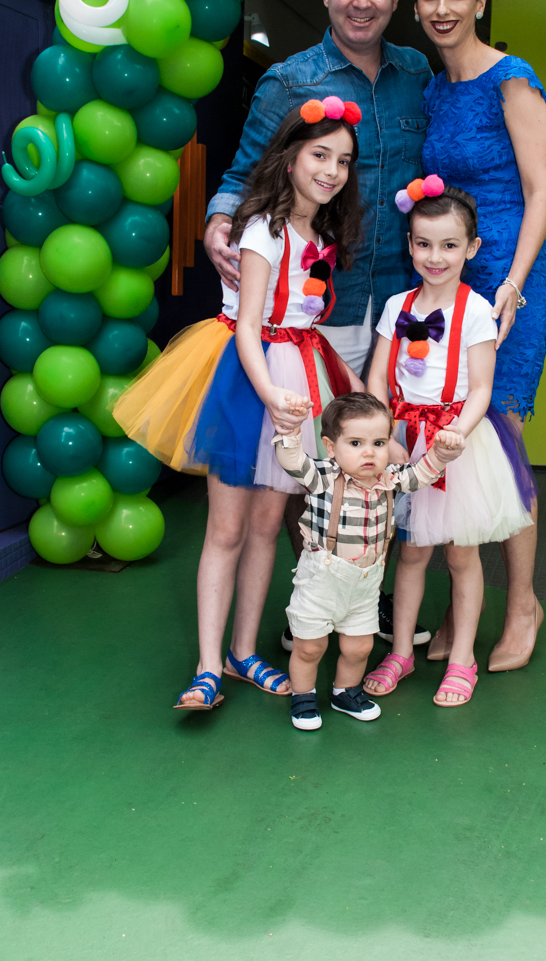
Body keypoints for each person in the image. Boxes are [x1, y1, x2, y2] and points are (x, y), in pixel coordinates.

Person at [205, 0, 434, 648]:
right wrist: (217, 219)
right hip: (321, 308)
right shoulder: (289, 81)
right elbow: (245, 172)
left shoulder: (418, 76)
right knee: (321, 470)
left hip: (401, 302)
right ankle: (313, 612)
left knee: (380, 453)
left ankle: (368, 604)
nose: (360, 2)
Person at [114, 99, 364, 710]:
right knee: (225, 529)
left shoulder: (323, 234)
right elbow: (249, 327)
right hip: (247, 378)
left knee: (263, 527)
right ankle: (207, 666)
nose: (332, 171)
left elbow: (306, 320)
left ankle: (243, 652)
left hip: (301, 375)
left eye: (344, 161)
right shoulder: (263, 229)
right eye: (319, 155)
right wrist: (274, 395)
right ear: (289, 158)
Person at [413, 0, 546, 674]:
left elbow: (540, 192)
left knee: (499, 441)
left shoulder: (513, 80)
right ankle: (458, 602)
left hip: (510, 287)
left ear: (480, 2)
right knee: (448, 442)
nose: (442, 8)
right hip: (450, 282)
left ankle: (524, 600)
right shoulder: (435, 90)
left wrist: (510, 284)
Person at [363, 183, 537, 708]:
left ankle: (462, 659)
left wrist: (454, 435)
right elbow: (376, 378)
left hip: (456, 445)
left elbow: (482, 387)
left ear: (472, 248)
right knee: (410, 553)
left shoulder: (479, 311)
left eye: (448, 245)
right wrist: (384, 435)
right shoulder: (396, 305)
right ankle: (400, 652)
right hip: (404, 442)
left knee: (462, 557)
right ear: (409, 244)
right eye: (423, 244)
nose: (434, 257)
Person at [273, 392, 463, 731]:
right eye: (356, 442)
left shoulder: (390, 479)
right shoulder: (324, 478)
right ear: (331, 448)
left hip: (366, 582)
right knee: (309, 646)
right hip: (322, 579)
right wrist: (290, 430)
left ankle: (345, 691)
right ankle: (303, 695)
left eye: (378, 442)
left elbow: (421, 475)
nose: (368, 452)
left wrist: (441, 454)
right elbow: (292, 461)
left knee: (360, 646)